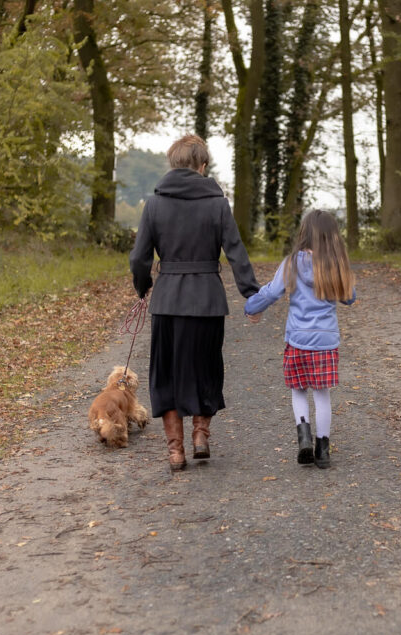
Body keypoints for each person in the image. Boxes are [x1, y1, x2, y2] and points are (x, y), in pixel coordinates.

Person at [130, 135, 259, 472]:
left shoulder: (154, 204)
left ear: (174, 165)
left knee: (167, 376)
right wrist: (251, 293)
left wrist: (143, 287)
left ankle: (176, 452)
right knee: (205, 369)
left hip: (168, 300)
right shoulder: (218, 204)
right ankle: (201, 434)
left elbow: (139, 258)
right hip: (207, 302)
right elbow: (236, 252)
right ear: (203, 166)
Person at [243, 210, 356, 469]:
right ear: (333, 237)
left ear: (304, 232)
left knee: (298, 390)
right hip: (326, 342)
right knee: (322, 394)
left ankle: (303, 437)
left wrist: (252, 307)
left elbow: (272, 292)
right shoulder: (335, 263)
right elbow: (350, 297)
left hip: (297, 340)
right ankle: (323, 450)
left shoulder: (292, 263)